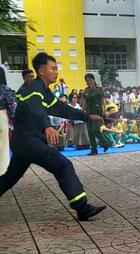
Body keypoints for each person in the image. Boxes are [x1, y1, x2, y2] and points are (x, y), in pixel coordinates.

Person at [0, 52, 106, 221]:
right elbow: (35, 108)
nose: (56, 72)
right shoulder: (34, 89)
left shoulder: (43, 90)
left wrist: (86, 116)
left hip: (23, 142)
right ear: (42, 71)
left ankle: (82, 207)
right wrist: (47, 126)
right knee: (63, 166)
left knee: (11, 177)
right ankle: (82, 207)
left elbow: (61, 109)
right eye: (53, 68)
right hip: (29, 141)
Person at [84, 73, 111, 155]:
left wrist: (105, 110)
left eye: (90, 80)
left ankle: (105, 143)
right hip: (88, 112)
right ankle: (94, 149)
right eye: (86, 80)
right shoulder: (86, 90)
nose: (88, 82)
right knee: (89, 131)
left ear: (93, 80)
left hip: (97, 111)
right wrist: (83, 110)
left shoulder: (99, 89)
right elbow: (85, 101)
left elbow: (103, 100)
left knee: (95, 129)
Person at [0, 67, 15, 175]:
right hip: (1, 116)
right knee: (3, 145)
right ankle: (2, 170)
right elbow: (11, 107)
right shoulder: (6, 89)